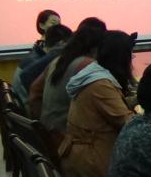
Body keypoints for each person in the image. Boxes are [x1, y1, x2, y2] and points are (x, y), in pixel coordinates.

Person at [59, 31, 136, 177]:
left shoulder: (94, 73)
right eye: (130, 56)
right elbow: (129, 124)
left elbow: (112, 107)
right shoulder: (100, 85)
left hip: (80, 154)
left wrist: (138, 99)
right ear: (121, 58)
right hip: (94, 161)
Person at [29, 18, 107, 147]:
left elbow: (34, 92)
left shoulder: (60, 60)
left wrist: (41, 125)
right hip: (67, 140)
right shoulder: (87, 65)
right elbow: (117, 115)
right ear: (96, 45)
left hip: (50, 132)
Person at [11, 24, 72, 112]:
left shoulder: (37, 54)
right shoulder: (40, 61)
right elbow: (27, 78)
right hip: (29, 110)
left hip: (23, 106)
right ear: (61, 44)